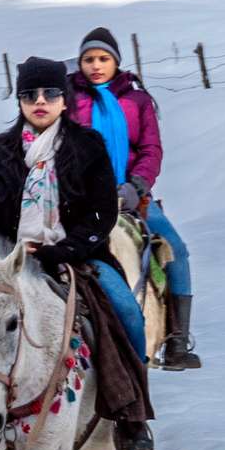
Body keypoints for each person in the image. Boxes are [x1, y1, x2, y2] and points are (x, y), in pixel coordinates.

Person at [0, 54, 153, 448]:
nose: (40, 101)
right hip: (9, 261)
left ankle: (131, 416)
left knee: (128, 314)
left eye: (50, 93)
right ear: (19, 101)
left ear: (65, 100)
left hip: (77, 256)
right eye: (30, 94)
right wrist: (8, 254)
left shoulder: (88, 146)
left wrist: (63, 250)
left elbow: (102, 213)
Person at [66, 28, 201, 369]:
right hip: (81, 198)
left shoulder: (137, 101)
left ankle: (176, 340)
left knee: (176, 250)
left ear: (116, 62)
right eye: (88, 59)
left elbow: (151, 150)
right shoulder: (68, 99)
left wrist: (136, 186)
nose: (96, 66)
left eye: (103, 58)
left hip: (131, 195)